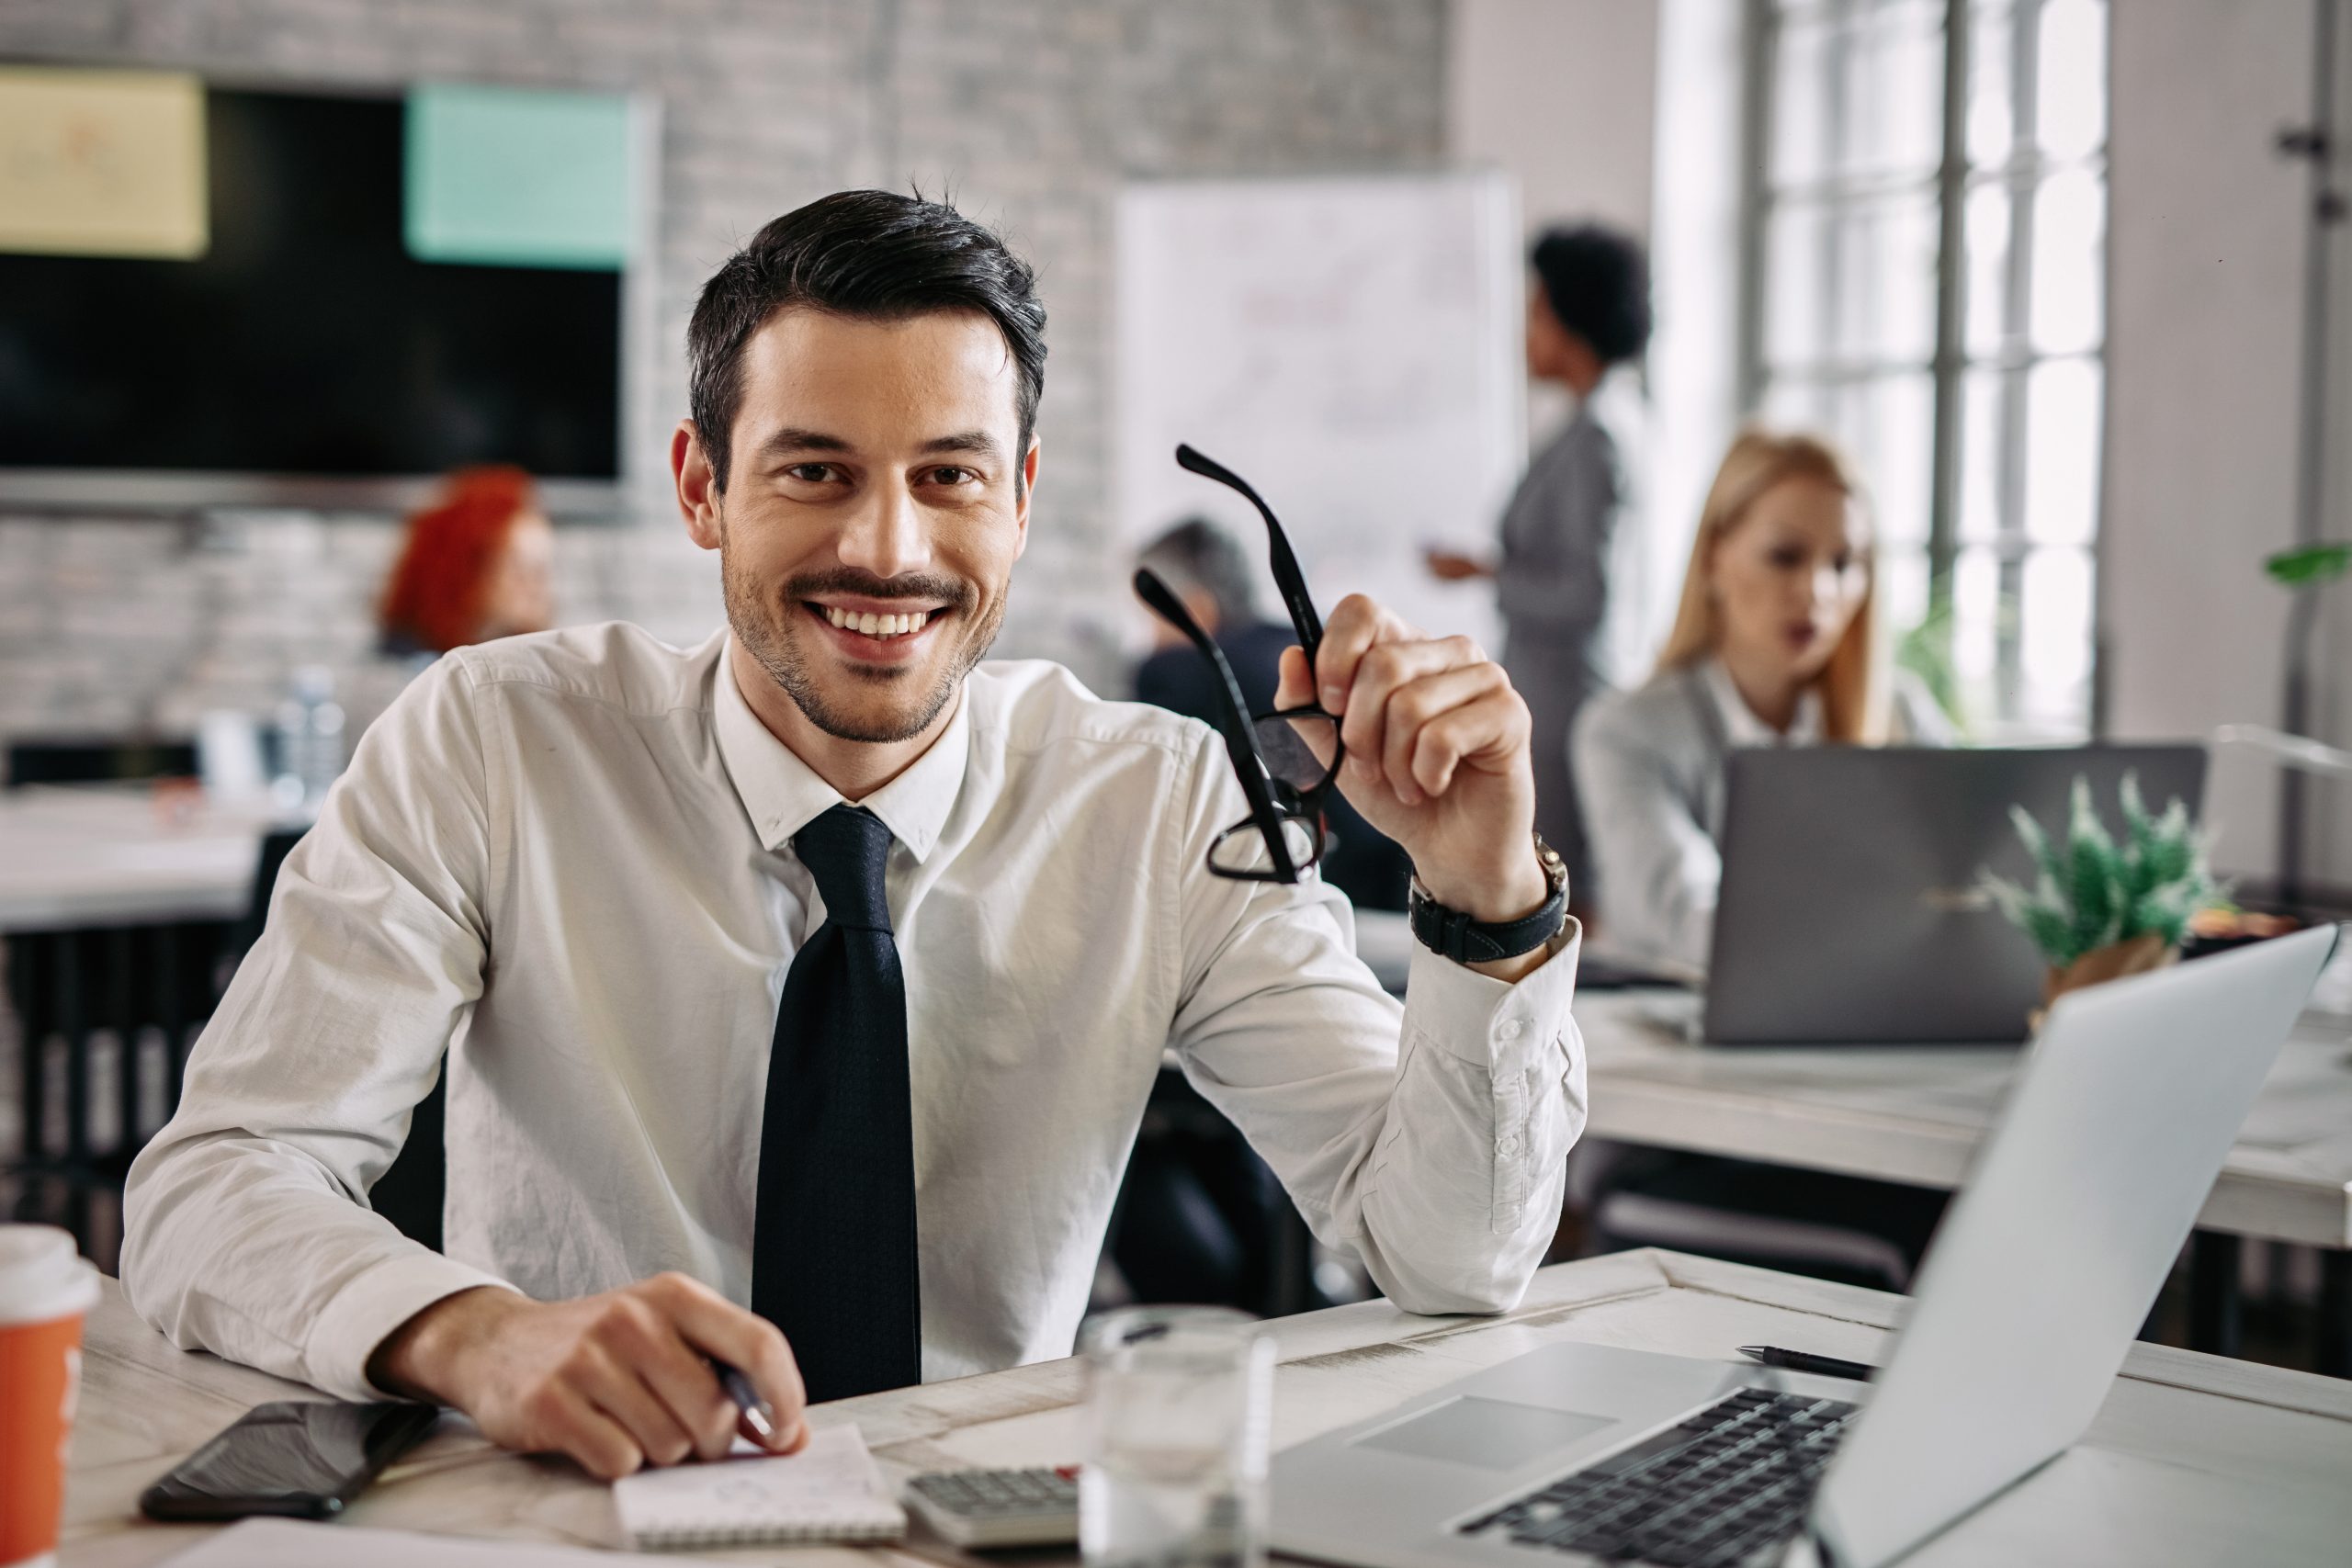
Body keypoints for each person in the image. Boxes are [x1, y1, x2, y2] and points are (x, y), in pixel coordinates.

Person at [123, 191, 1587, 1483]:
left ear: (1019, 498)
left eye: (949, 472)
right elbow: (212, 1183)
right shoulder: (494, 741)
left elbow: (1452, 1256)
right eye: (815, 468)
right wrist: (480, 1337)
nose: (887, 547)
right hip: (576, 1506)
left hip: (990, 1525)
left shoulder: (1157, 801)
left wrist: (1483, 890)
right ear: (703, 486)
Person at [1572, 428, 1951, 972]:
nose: (1817, 592)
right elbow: (1684, 912)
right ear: (1713, 559)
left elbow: (1971, 884)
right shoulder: (1623, 732)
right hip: (1677, 1044)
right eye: (1786, 556)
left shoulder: (1904, 716)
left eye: (1844, 564)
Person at [1426, 224, 1651, 915]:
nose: (1526, 331)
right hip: (1564, 690)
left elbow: (1586, 594)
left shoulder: (1597, 439)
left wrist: (1488, 575)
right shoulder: (1613, 420)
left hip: (1562, 703)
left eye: (1536, 310)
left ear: (1571, 316)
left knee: (1553, 892)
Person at [1135, 519, 1412, 911]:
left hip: (1315, 895)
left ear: (1196, 609)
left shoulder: (1180, 670)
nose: (1149, 639)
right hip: (1400, 881)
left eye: (1150, 621)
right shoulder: (1295, 647)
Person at [379, 466, 556, 657]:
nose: (535, 588)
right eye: (518, 569)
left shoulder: (537, 663)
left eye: (541, 571)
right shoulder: (409, 661)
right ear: (468, 568)